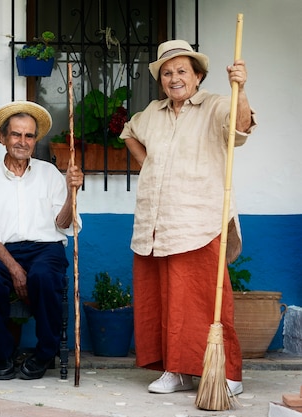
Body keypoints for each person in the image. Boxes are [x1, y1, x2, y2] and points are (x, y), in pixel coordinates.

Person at [120, 40, 257, 395]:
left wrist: (240, 89)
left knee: (205, 300)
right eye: (167, 72)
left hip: (200, 221)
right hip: (156, 224)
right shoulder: (151, 112)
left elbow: (240, 130)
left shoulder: (214, 105)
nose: (174, 78)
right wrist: (147, 164)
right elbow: (128, 132)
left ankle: (226, 373)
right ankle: (175, 370)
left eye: (182, 70)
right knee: (164, 300)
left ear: (197, 76)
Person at [0, 101, 84, 380]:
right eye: (16, 134)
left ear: (35, 139)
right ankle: (2, 354)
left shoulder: (50, 174)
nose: (22, 141)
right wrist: (16, 270)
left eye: (29, 135)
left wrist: (71, 192)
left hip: (45, 249)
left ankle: (45, 353)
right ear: (3, 138)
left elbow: (63, 224)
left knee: (44, 276)